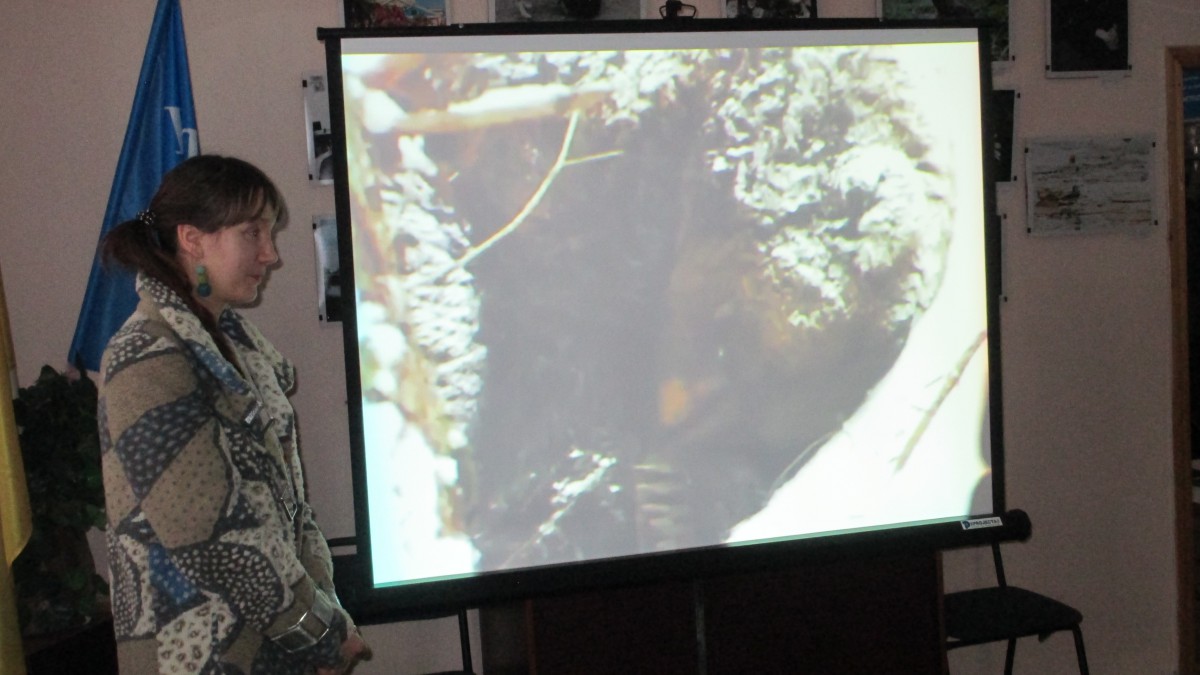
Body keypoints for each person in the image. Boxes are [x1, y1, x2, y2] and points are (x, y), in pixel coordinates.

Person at [97, 154, 370, 674]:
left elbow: (292, 513)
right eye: (252, 233)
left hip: (272, 650)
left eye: (270, 234)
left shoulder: (240, 350)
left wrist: (326, 620)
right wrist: (319, 635)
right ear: (192, 239)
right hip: (198, 656)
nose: (271, 254)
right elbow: (213, 537)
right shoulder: (146, 357)